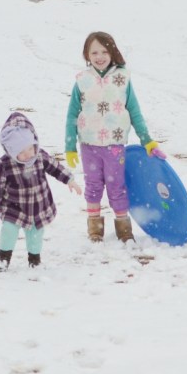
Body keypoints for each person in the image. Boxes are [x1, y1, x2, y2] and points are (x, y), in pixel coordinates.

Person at [64, 31, 165, 243]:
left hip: (115, 145)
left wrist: (147, 140)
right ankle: (95, 227)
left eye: (104, 51)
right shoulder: (82, 80)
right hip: (89, 145)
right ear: (87, 55)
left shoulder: (122, 79)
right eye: (94, 52)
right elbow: (72, 114)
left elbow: (134, 111)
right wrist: (70, 146)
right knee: (93, 186)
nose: (99, 56)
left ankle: (123, 228)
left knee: (116, 186)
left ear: (112, 52)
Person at [0, 112, 82, 270]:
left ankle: (34, 260)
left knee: (36, 235)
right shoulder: (4, 164)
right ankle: (4, 259)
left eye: (30, 148)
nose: (28, 154)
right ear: (11, 150)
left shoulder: (39, 156)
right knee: (8, 232)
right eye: (22, 152)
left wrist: (69, 180)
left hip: (38, 206)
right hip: (14, 208)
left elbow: (55, 167)